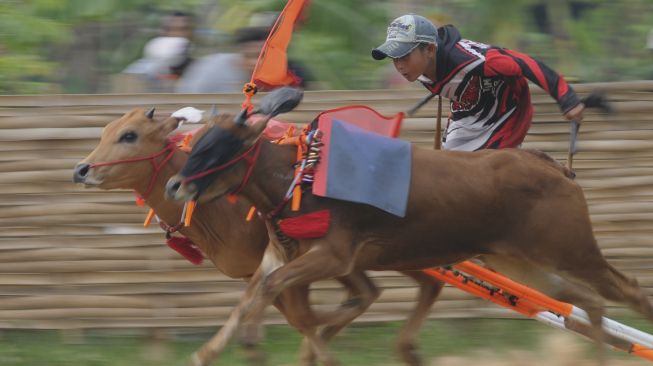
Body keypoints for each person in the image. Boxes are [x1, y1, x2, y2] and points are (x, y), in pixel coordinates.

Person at [372, 14, 585, 151]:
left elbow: (525, 63)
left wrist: (567, 98)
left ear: (429, 50)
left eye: (404, 56)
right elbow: (457, 85)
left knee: (484, 175)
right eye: (394, 58)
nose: (399, 65)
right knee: (446, 170)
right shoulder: (418, 70)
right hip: (470, 112)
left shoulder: (475, 60)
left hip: (506, 112)